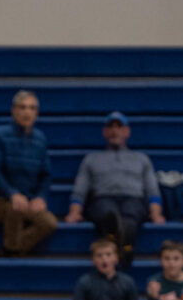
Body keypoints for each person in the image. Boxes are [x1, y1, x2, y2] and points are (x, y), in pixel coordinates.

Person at [64, 111, 165, 265]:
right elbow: (80, 188)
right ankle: (125, 248)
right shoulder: (92, 159)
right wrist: (74, 212)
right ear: (105, 132)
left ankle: (117, 247)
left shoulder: (141, 158)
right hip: (103, 199)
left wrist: (156, 213)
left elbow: (152, 189)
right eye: (110, 127)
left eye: (119, 126)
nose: (114, 130)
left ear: (127, 131)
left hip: (133, 199)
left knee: (129, 219)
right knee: (109, 215)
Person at [0, 90, 58, 256]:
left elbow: (46, 175)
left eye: (32, 108)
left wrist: (41, 197)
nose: (27, 112)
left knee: (49, 222)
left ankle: (10, 250)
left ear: (37, 113)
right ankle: (12, 253)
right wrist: (12, 193)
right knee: (15, 209)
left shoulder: (40, 139)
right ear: (13, 110)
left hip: (28, 200)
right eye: (22, 107)